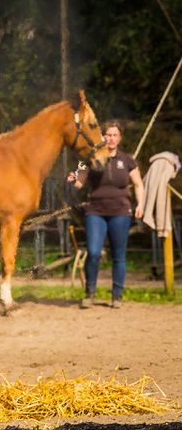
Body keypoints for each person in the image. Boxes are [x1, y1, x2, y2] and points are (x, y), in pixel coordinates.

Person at [67, 119, 144, 308]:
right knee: (93, 252)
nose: (111, 138)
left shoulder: (127, 160)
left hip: (121, 213)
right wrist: (71, 179)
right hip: (96, 212)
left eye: (114, 135)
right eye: (108, 134)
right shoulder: (91, 158)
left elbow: (138, 184)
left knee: (119, 255)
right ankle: (89, 294)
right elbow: (79, 182)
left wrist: (141, 204)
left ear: (119, 138)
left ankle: (116, 296)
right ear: (102, 137)